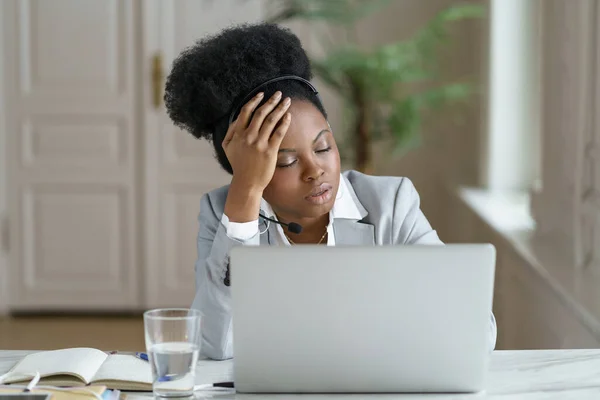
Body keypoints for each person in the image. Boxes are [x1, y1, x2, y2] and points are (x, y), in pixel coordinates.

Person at [164, 23, 497, 360]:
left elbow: (476, 330)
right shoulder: (225, 211)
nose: (315, 171)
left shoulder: (391, 204)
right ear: (250, 169)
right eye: (287, 161)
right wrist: (245, 194)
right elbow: (215, 345)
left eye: (323, 148)